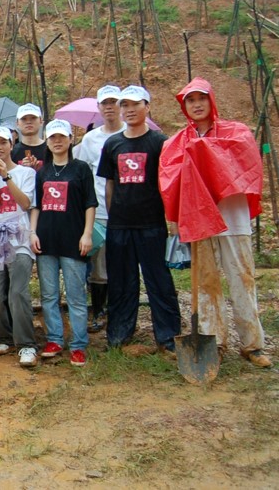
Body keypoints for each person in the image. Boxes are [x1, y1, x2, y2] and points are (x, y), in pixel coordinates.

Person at [160, 77, 271, 367]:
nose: (197, 105)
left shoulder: (237, 133)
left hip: (233, 218)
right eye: (190, 100)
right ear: (184, 106)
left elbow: (245, 165)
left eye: (201, 99)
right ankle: (213, 341)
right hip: (199, 219)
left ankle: (252, 344)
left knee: (242, 278)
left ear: (212, 101)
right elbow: (170, 179)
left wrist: (202, 152)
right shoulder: (177, 142)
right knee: (206, 283)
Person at [97, 86, 181, 353]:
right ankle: (119, 334)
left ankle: (168, 337)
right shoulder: (113, 144)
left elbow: (168, 182)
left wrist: (171, 218)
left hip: (151, 223)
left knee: (159, 281)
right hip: (120, 225)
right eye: (125, 105)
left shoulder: (160, 142)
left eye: (135, 104)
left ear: (147, 107)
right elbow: (110, 184)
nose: (129, 110)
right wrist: (113, 215)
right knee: (122, 281)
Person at [30, 120, 97, 367]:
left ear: (70, 139)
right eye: (52, 138)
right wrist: (32, 232)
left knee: (76, 295)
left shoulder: (81, 169)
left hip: (73, 240)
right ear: (47, 142)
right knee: (49, 295)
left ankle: (78, 345)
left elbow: (90, 204)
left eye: (61, 137)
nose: (57, 141)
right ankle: (55, 340)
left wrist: (87, 234)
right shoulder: (43, 172)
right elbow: (36, 206)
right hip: (46, 240)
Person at [0, 126, 38, 366]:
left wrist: (6, 176)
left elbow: (25, 203)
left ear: (11, 144)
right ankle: (2, 337)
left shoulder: (26, 172)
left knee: (17, 292)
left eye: (3, 142)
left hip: (20, 238)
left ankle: (26, 344)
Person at [74, 85, 126, 332]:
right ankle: (99, 312)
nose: (109, 107)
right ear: (99, 108)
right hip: (98, 212)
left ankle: (122, 310)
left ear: (121, 105)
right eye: (104, 103)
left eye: (113, 102)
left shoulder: (129, 133)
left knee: (123, 264)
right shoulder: (91, 139)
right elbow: (82, 172)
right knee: (99, 266)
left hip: (126, 212)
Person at [11, 103, 46, 170]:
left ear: (41, 121)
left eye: (33, 118)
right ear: (17, 123)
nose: (29, 122)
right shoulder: (12, 152)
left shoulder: (50, 150)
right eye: (24, 119)